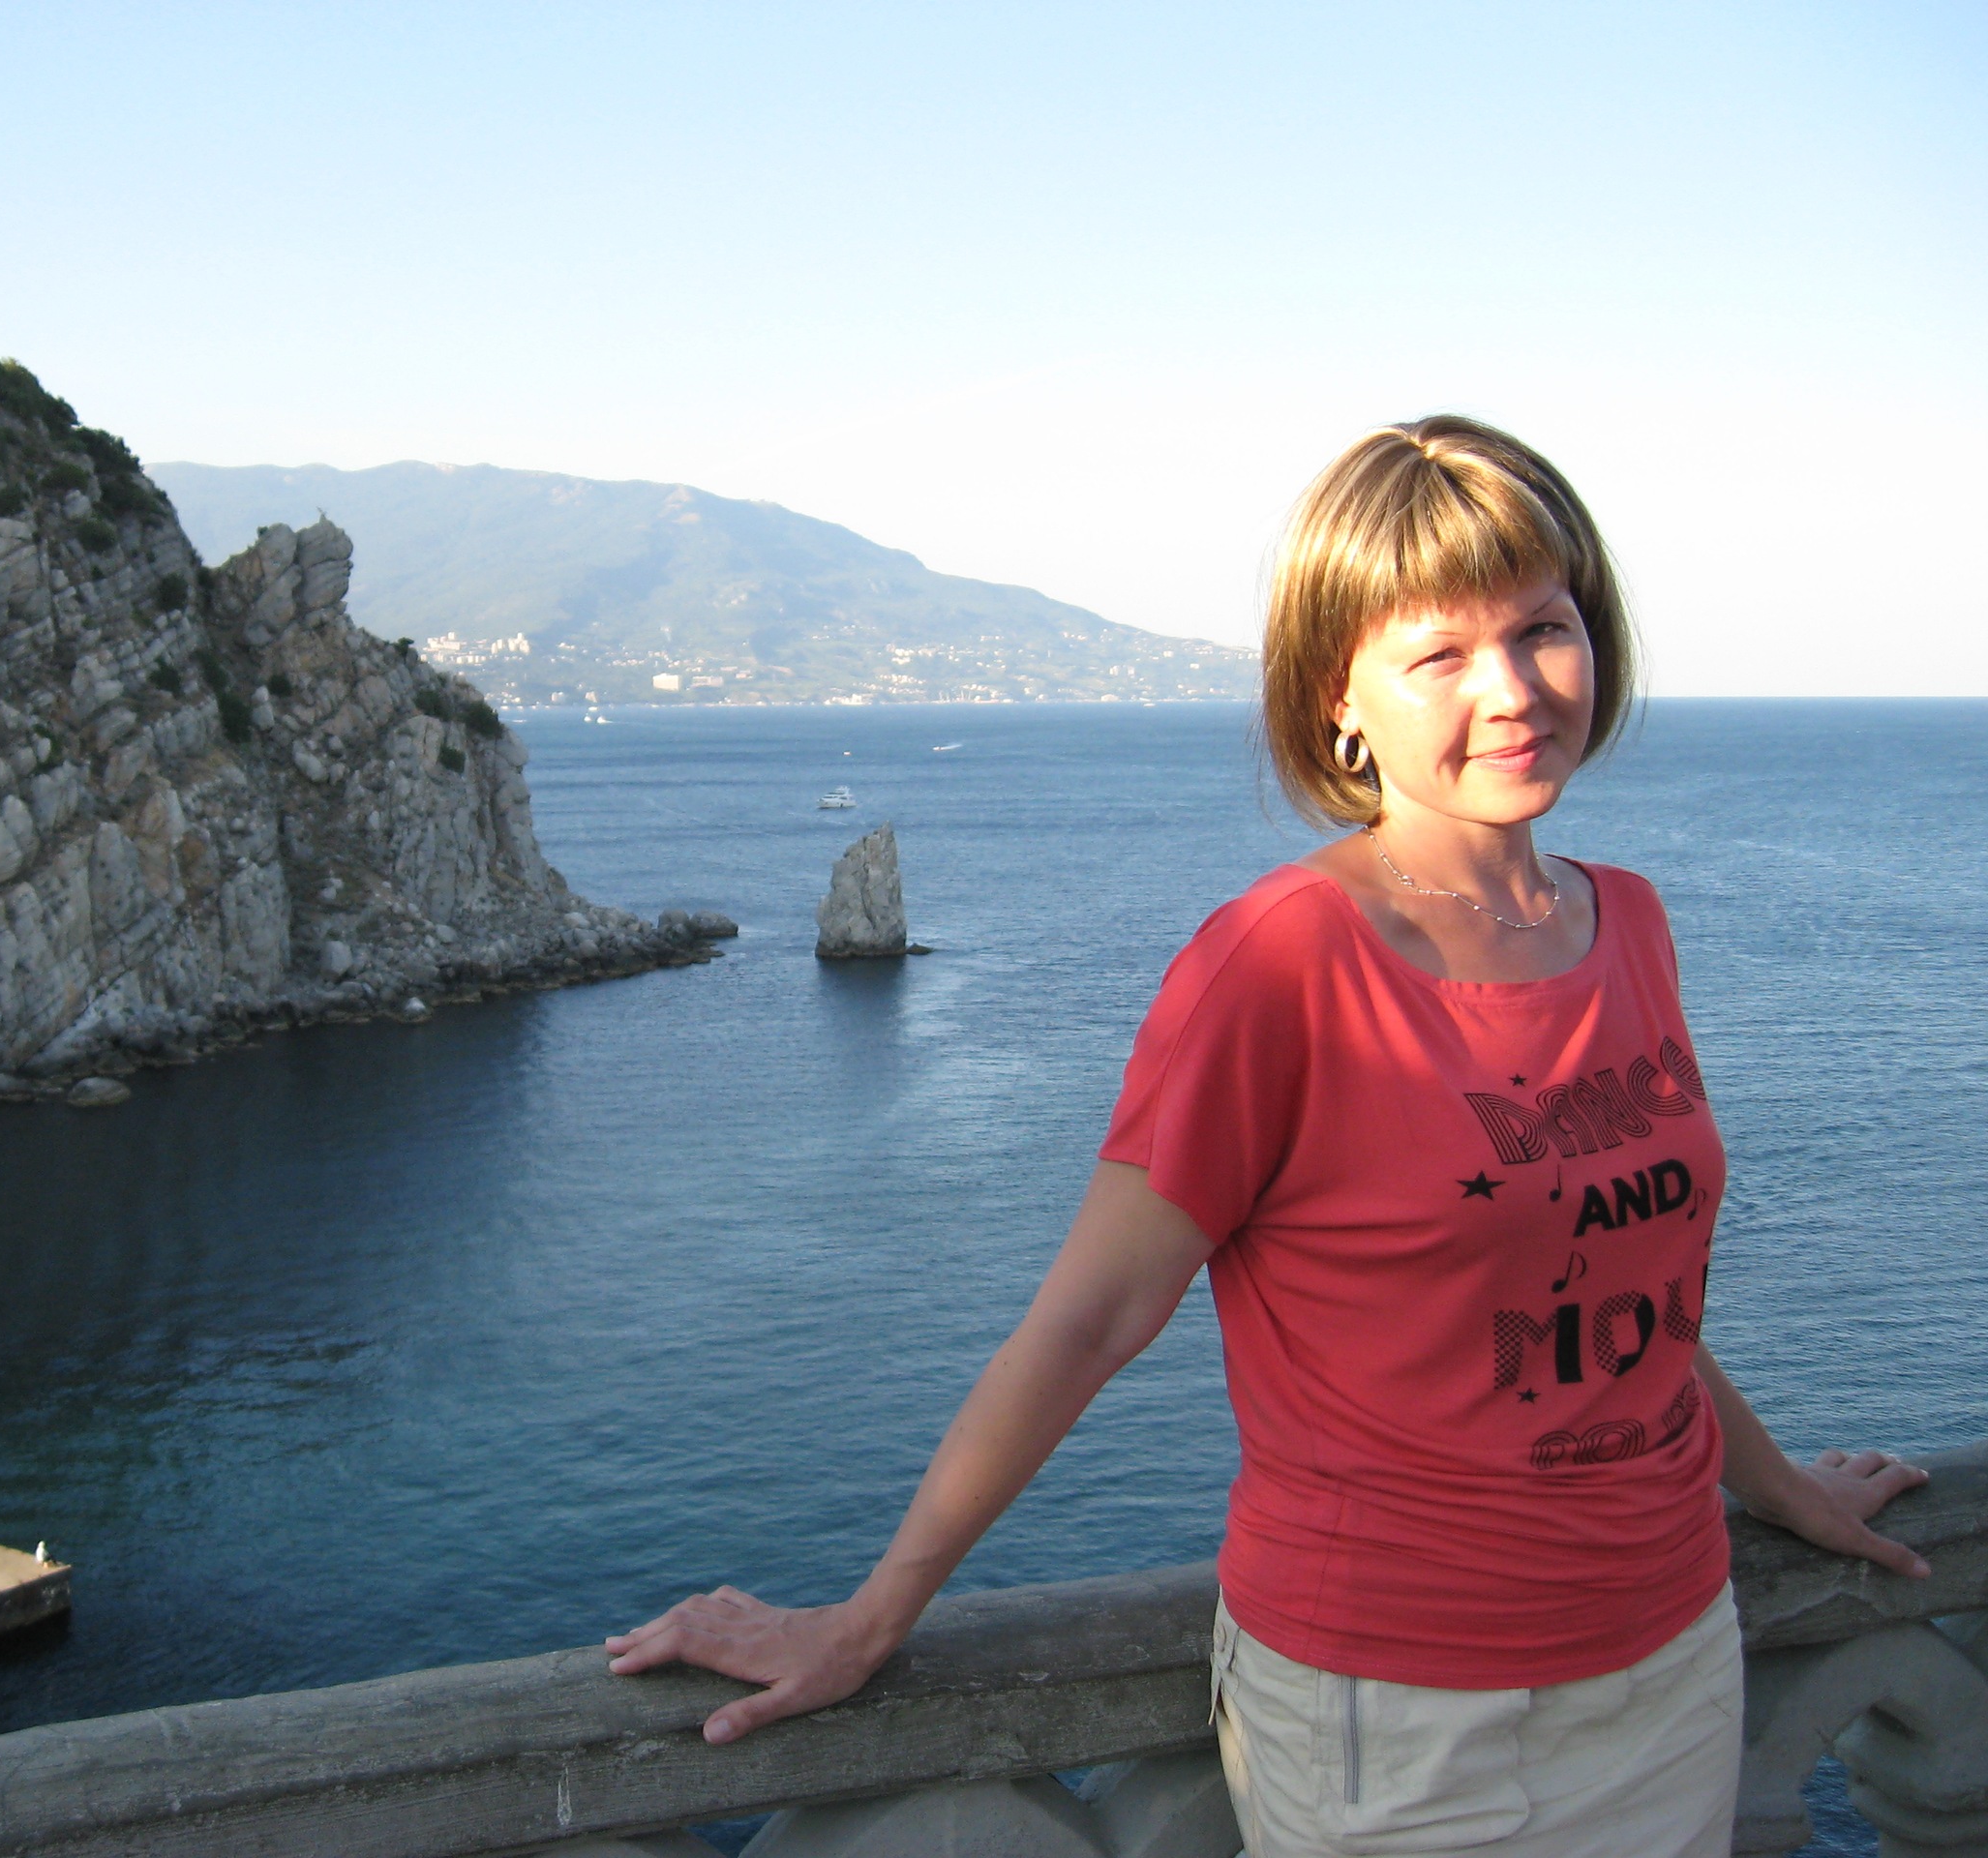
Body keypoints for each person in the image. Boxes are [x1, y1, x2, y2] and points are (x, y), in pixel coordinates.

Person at [605, 416, 1933, 1857]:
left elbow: (1617, 1287)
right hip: (1403, 1719)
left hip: (1674, 1652)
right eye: (1440, 654)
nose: (1511, 690)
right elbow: (1089, 1320)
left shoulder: (1630, 926)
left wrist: (1777, 1486)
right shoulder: (1283, 963)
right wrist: (868, 1621)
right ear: (1337, 698)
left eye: (1542, 629)